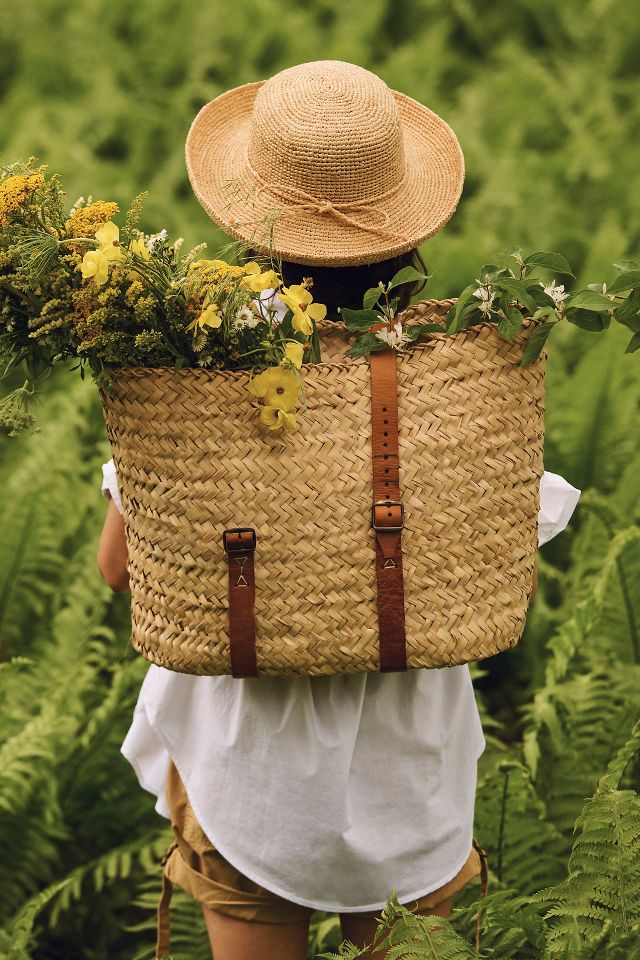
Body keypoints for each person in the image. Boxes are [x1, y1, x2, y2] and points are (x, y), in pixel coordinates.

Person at [96, 61, 582, 960]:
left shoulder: (192, 389)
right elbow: (502, 546)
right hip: (412, 770)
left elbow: (123, 569)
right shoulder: (462, 386)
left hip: (251, 773)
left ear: (246, 225)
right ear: (408, 221)